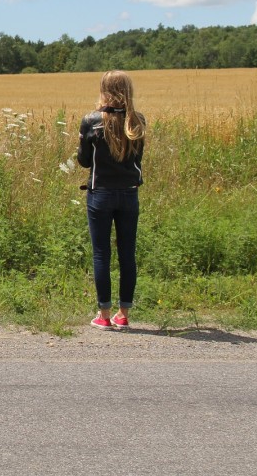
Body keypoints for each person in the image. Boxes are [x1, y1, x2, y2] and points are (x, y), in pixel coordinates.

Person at [76, 70, 146, 330]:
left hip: (100, 193)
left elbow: (84, 161)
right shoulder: (138, 121)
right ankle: (123, 313)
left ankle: (103, 316)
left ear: (104, 89)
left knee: (101, 254)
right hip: (129, 192)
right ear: (128, 90)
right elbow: (137, 160)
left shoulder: (91, 121)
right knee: (128, 253)